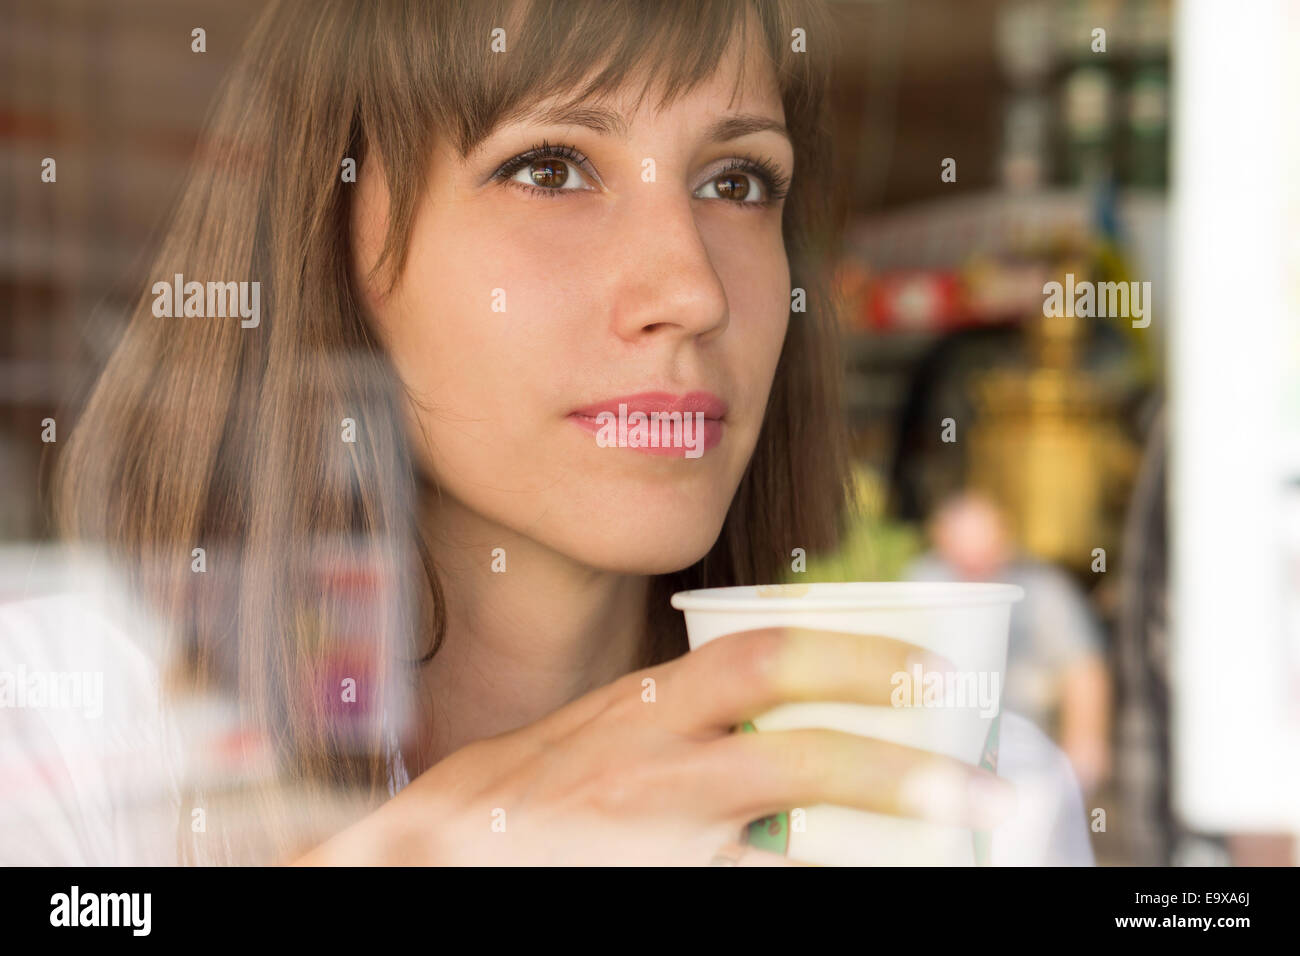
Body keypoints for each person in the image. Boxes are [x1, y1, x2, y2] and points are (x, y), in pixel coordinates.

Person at [0, 0, 1090, 866]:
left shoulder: (939, 768)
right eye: (550, 166)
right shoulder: (55, 724)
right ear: (325, 236)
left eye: (735, 179)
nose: (691, 287)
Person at [904, 491, 1113, 797]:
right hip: (940, 758)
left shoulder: (1044, 590)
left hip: (1023, 758)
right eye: (963, 554)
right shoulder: (920, 581)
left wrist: (1085, 748)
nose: (974, 565)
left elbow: (1083, 669)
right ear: (940, 539)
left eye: (984, 550)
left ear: (1005, 538)